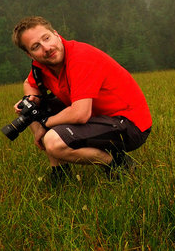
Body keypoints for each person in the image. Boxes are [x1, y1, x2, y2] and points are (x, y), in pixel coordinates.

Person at [11, 16, 152, 184]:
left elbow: (80, 114)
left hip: (131, 125)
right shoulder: (42, 66)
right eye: (36, 46)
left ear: (56, 34)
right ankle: (60, 172)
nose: (46, 48)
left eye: (46, 38)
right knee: (32, 106)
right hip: (98, 117)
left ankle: (116, 163)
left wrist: (44, 124)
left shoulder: (80, 57)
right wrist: (31, 102)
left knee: (53, 142)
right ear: (30, 54)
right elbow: (29, 83)